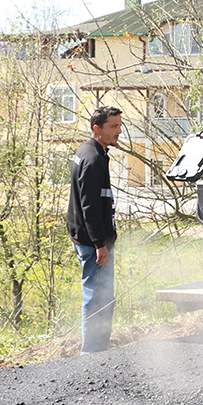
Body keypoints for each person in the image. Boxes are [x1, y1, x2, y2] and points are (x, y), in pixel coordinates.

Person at [67, 105, 121, 354]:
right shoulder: (92, 159)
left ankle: (96, 351)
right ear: (96, 129)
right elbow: (89, 206)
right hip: (93, 244)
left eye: (119, 126)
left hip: (88, 239)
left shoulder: (90, 152)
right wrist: (100, 244)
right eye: (113, 126)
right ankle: (92, 354)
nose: (118, 131)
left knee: (99, 296)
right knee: (97, 298)